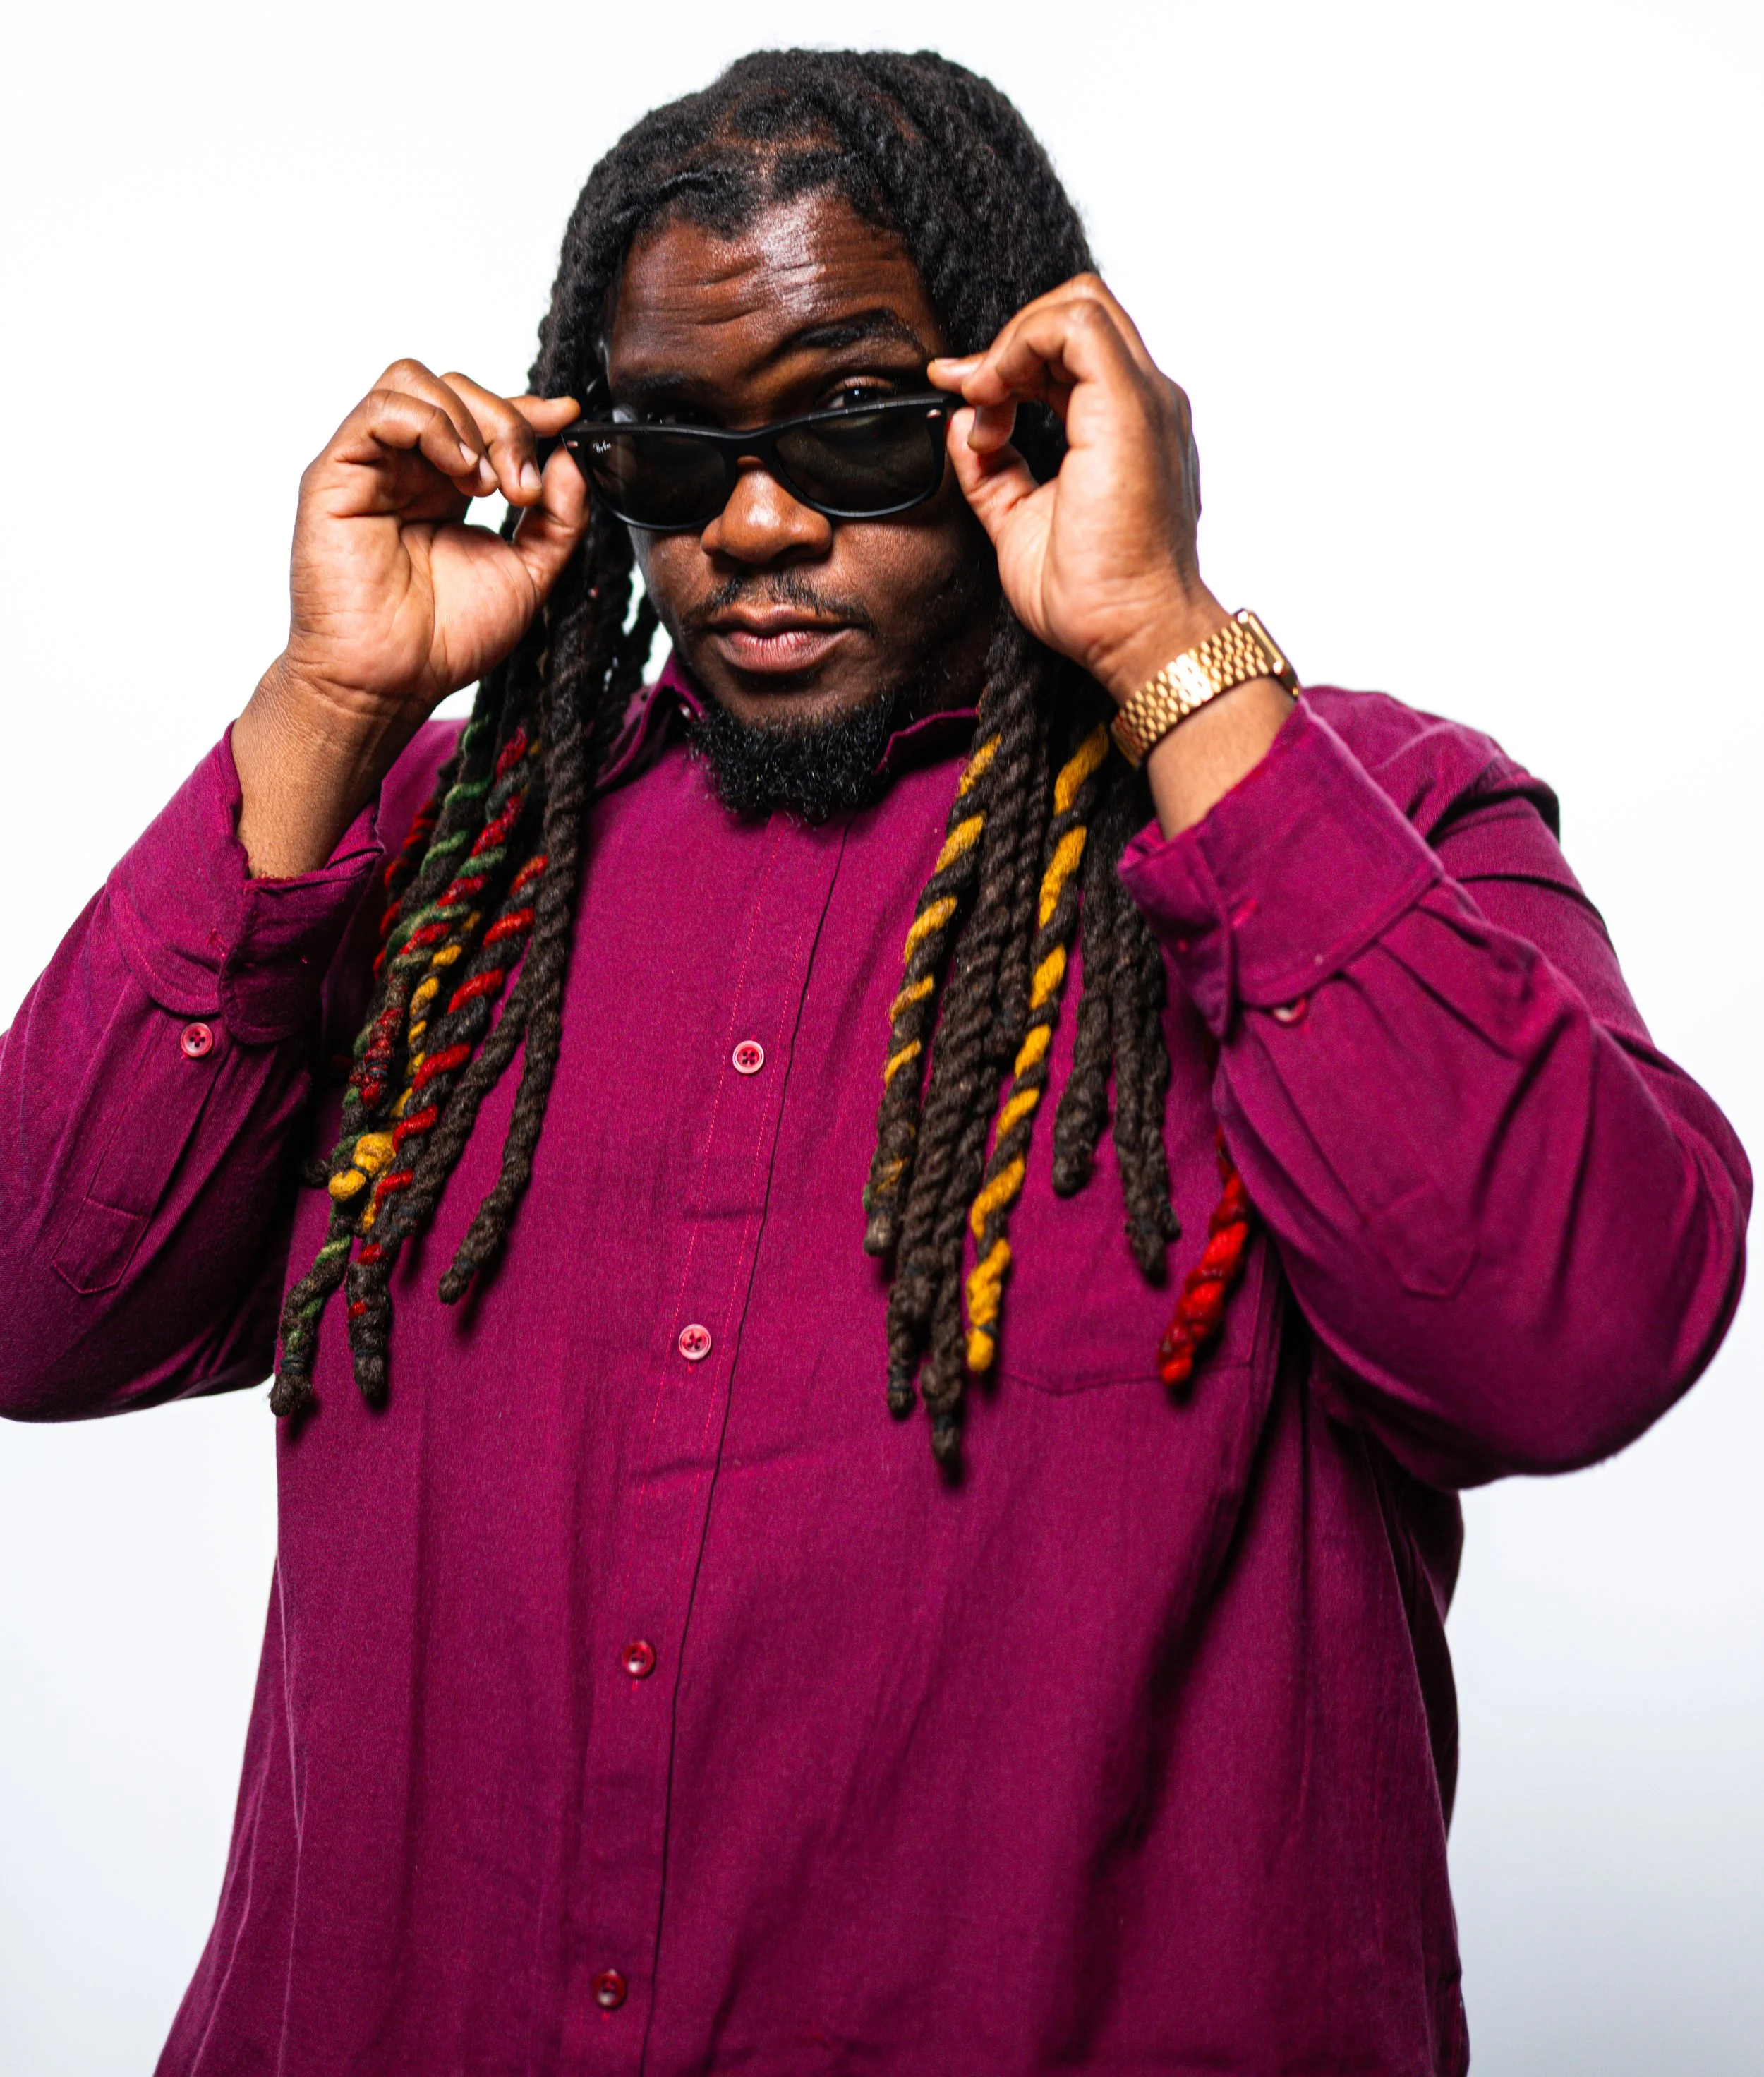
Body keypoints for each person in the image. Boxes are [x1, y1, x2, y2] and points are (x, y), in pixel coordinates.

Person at [0, 44, 1748, 2077]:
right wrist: (325, 700)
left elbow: (1571, 1329)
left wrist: (1163, 637)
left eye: (849, 424)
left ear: (1026, 408)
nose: (752, 520)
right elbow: (43, 1302)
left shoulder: (1357, 820)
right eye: (674, 444)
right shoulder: (443, 861)